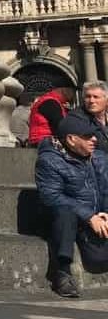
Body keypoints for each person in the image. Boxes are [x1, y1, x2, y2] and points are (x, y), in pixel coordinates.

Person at [35, 113, 108, 297]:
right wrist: (88, 216)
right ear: (71, 139)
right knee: (65, 213)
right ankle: (62, 273)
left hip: (96, 217)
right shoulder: (50, 160)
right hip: (65, 221)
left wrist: (106, 212)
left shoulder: (99, 157)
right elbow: (51, 196)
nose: (94, 140)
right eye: (87, 136)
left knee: (98, 258)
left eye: (94, 135)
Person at [80, 81, 108, 152]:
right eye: (88, 97)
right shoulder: (77, 121)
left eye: (96, 97)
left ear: (106, 100)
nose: (91, 101)